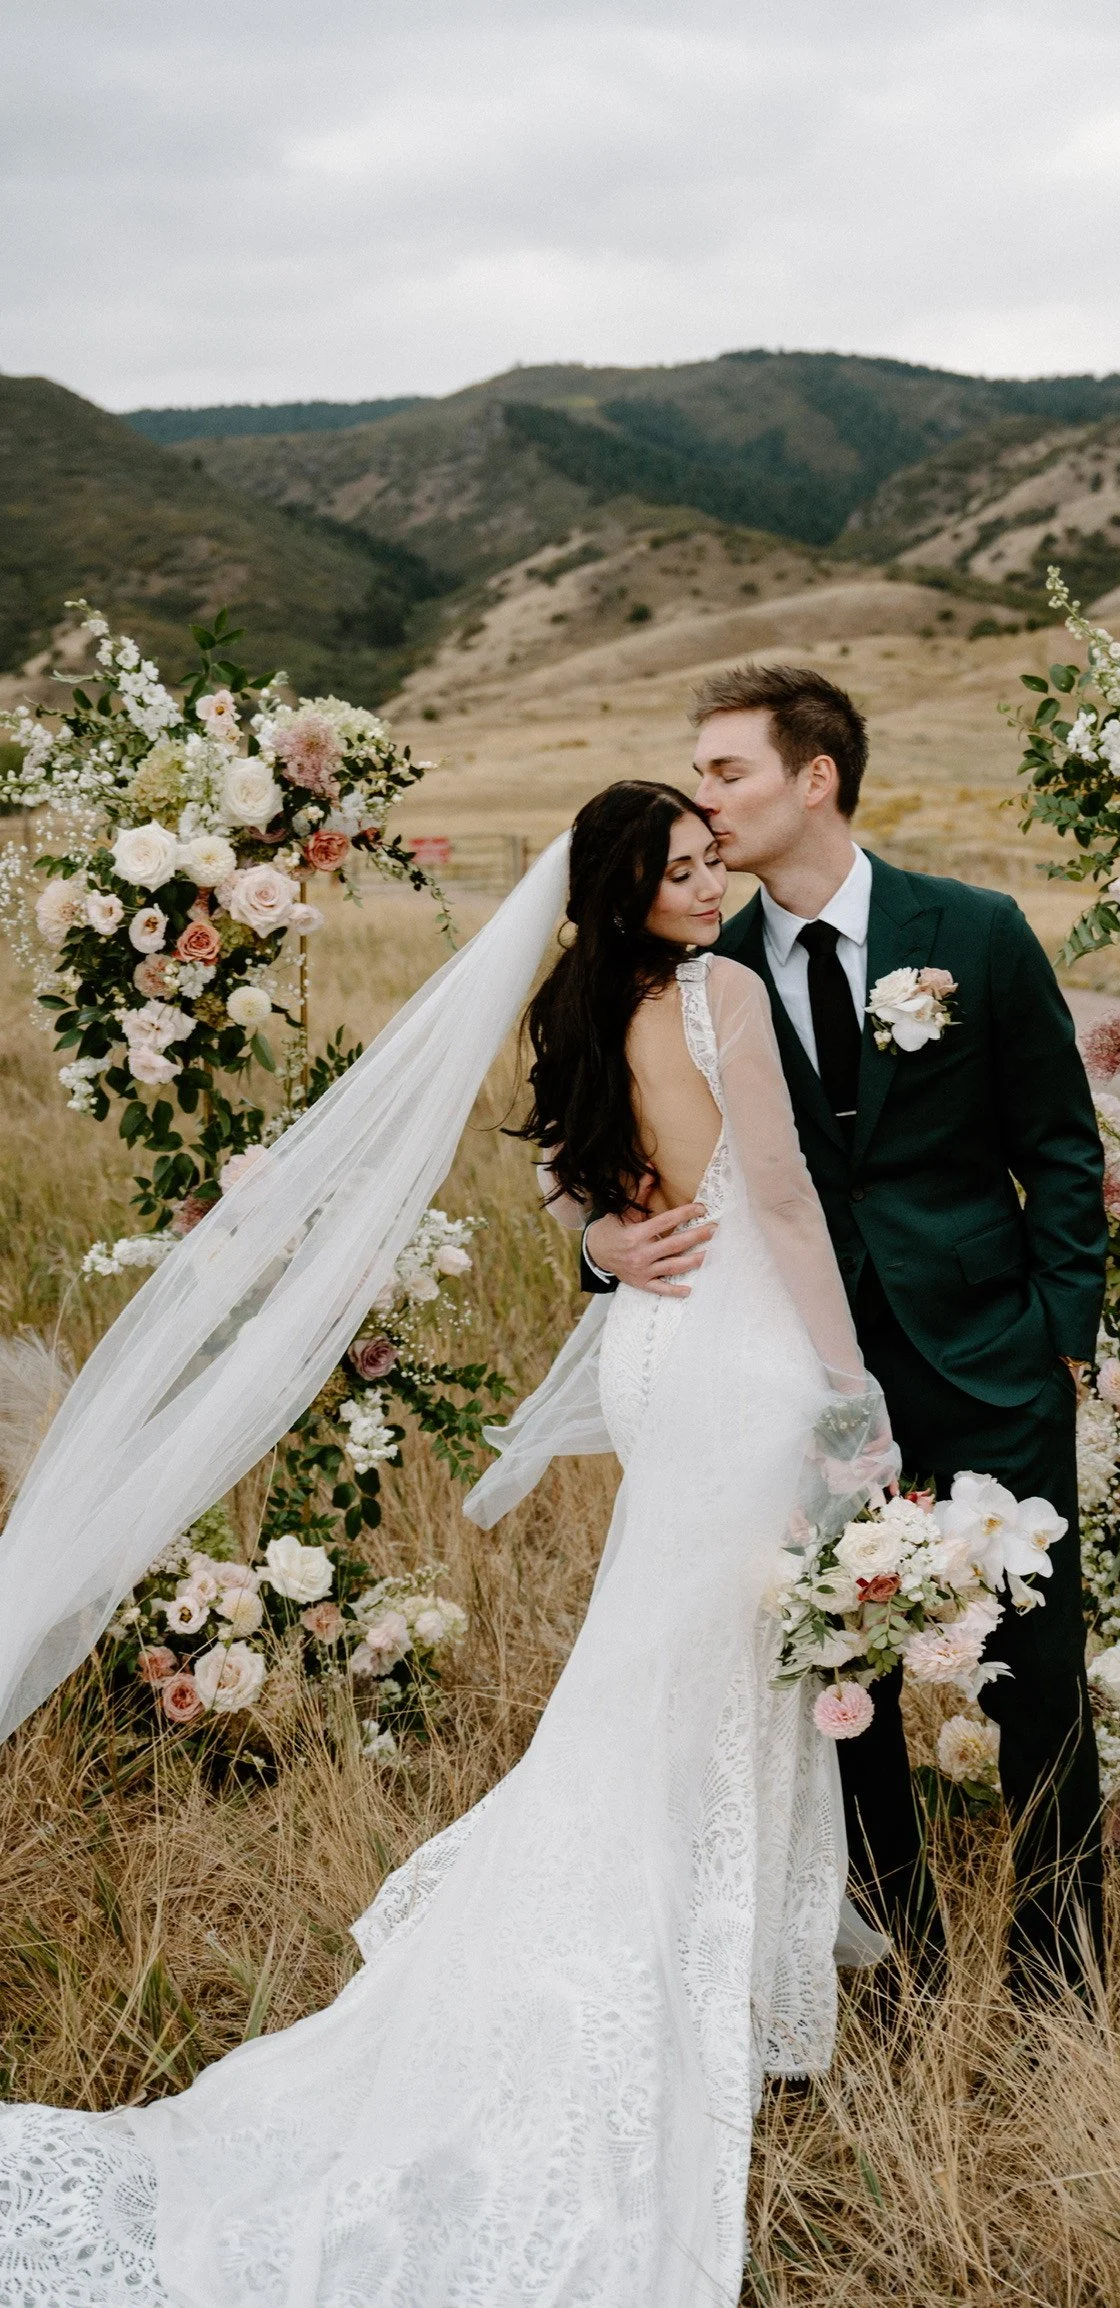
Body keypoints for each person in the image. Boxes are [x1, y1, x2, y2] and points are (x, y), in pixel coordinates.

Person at [0, 784, 895, 2306]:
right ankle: (653, 1965)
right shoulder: (722, 990)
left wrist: (611, 1241)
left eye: (706, 861)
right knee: (709, 1661)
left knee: (672, 1659)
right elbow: (792, 1202)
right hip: (740, 1355)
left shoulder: (577, 1006)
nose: (707, 883)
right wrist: (852, 1388)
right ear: (627, 892)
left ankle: (716, 1964)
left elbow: (571, 1178)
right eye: (677, 872)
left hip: (658, 1349)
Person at [583, 666, 1108, 1994]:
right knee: (836, 1672)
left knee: (1037, 1663)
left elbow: (1059, 1146)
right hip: (790, 1377)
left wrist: (1065, 1335)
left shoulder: (975, 932)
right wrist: (598, 1245)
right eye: (696, 774)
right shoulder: (701, 960)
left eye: (727, 772)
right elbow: (604, 1139)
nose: (702, 799)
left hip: (992, 1356)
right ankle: (896, 1955)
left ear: (813, 778)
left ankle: (1061, 1965)